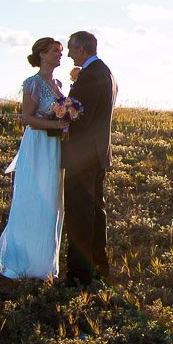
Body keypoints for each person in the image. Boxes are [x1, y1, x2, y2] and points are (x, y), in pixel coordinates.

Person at [0, 37, 69, 279]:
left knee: (52, 200)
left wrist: (64, 123)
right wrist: (55, 123)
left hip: (54, 146)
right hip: (38, 144)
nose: (59, 55)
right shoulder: (32, 83)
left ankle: (43, 260)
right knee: (34, 197)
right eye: (55, 51)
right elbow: (27, 118)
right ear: (42, 55)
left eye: (60, 52)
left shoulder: (59, 82)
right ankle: (23, 257)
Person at [62, 30, 117, 287]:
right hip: (97, 153)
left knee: (80, 214)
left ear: (82, 49)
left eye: (71, 48)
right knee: (95, 211)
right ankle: (98, 265)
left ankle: (78, 275)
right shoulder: (106, 73)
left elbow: (77, 116)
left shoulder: (91, 75)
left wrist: (53, 122)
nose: (69, 52)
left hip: (82, 155)